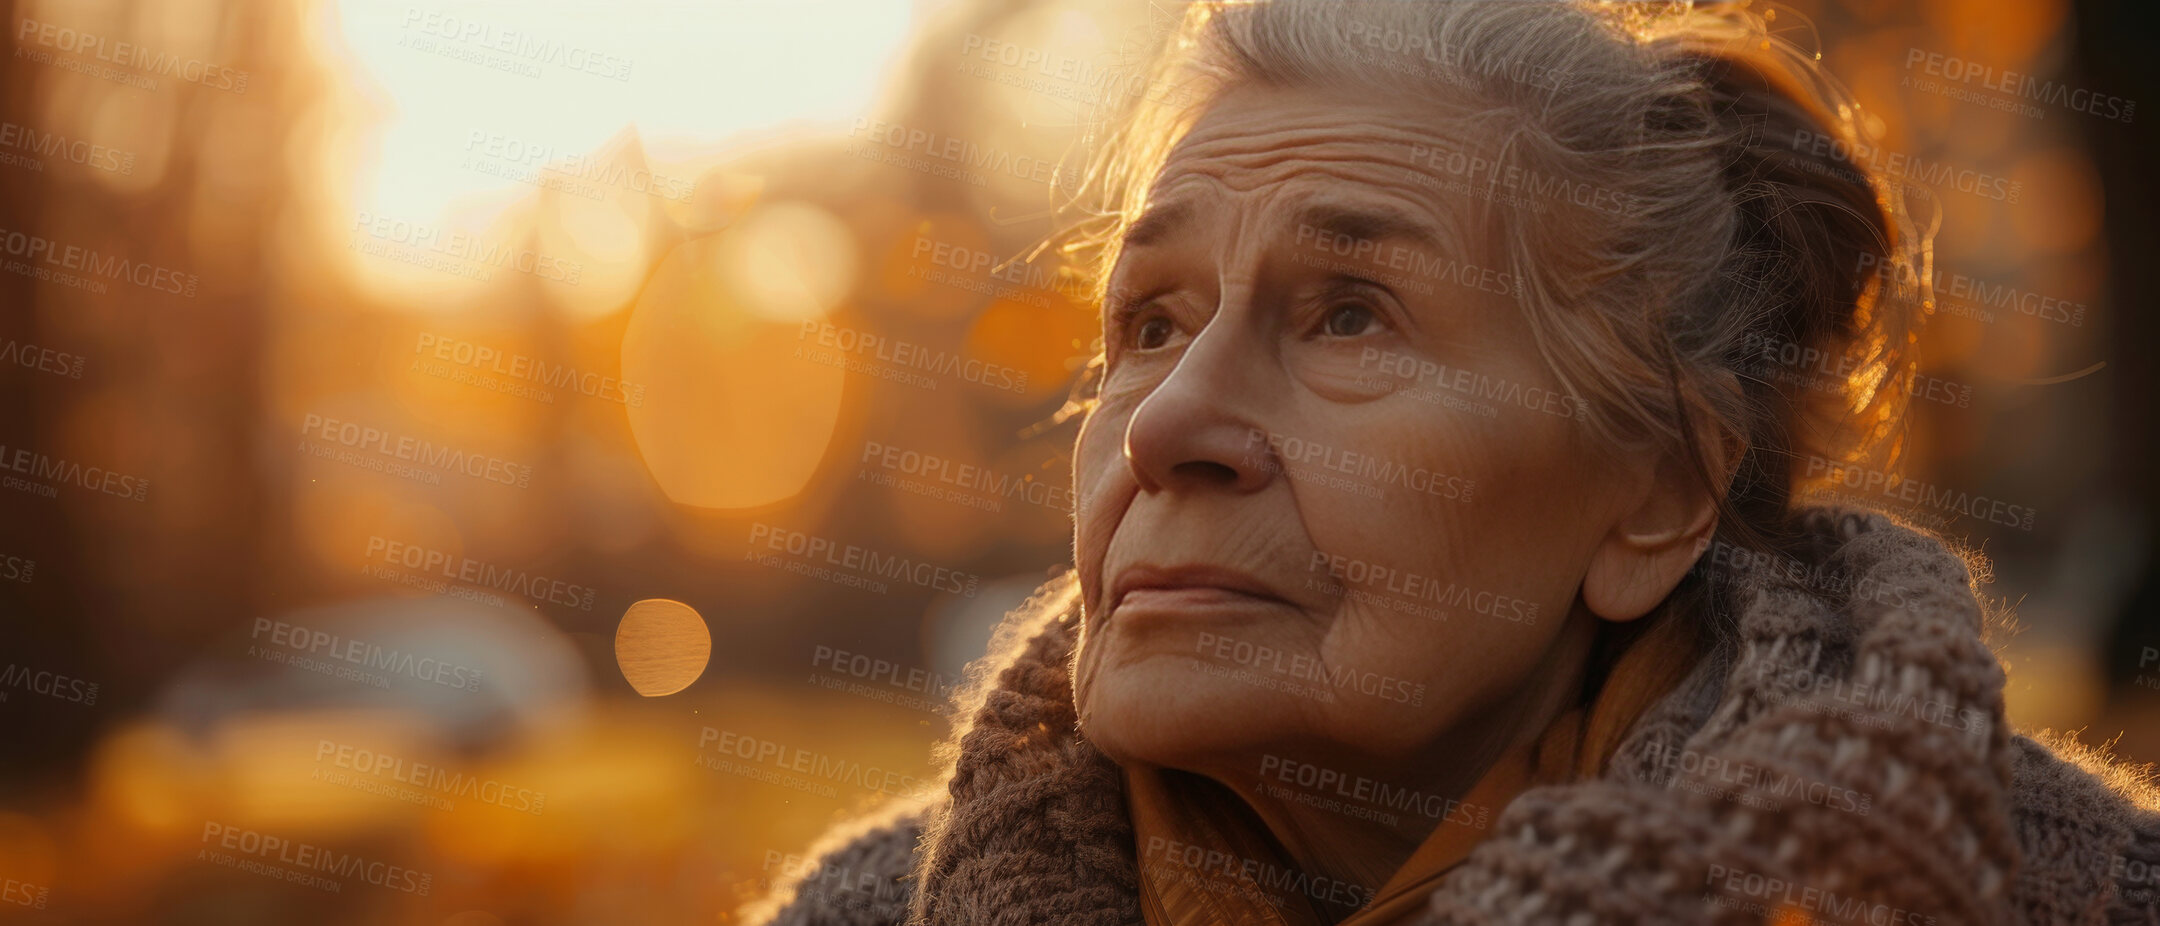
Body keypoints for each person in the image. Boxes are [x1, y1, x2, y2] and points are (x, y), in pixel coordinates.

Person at [752, 1, 2160, 923]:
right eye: (1150, 323)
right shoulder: (862, 912)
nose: (1169, 423)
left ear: (1660, 490)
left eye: (1351, 315)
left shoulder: (2064, 893)